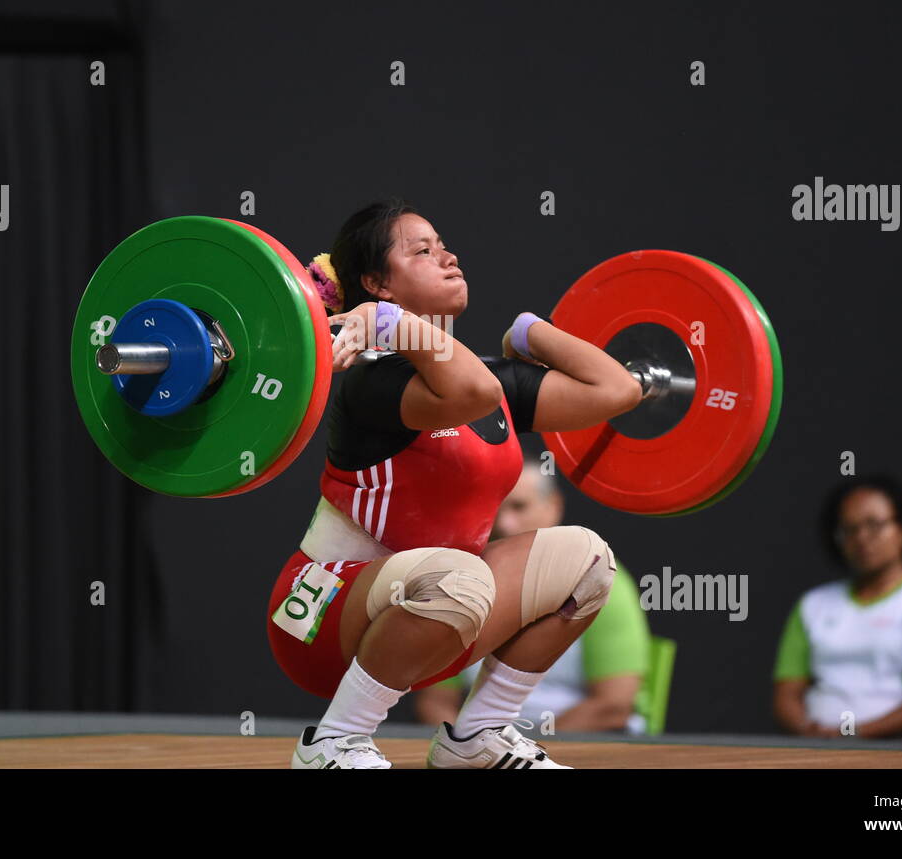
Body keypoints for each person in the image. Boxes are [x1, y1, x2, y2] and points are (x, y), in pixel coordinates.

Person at [265, 196, 643, 768]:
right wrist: (389, 328)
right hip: (323, 622)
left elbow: (615, 392)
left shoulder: (483, 376)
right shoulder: (371, 380)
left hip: (438, 614)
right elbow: (472, 394)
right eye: (423, 250)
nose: (449, 257)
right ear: (376, 283)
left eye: (444, 246)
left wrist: (530, 334)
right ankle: (333, 744)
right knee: (459, 576)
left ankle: (478, 740)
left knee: (587, 560)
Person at [414, 459, 652, 734]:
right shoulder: (459, 582)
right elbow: (435, 700)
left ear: (553, 505)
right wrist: (464, 748)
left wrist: (521, 754)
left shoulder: (604, 580)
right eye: (494, 509)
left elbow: (612, 706)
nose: (505, 523)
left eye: (519, 506)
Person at [771, 475, 902, 739]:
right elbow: (786, 695)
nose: (862, 538)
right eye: (849, 529)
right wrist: (809, 732)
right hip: (816, 752)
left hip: (900, 753)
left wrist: (854, 736)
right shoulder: (812, 605)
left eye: (874, 525)